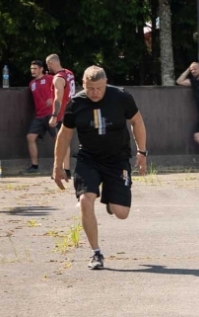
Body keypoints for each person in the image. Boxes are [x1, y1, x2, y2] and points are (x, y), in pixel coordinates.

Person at [52, 65, 148, 271]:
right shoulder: (76, 103)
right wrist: (57, 166)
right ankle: (96, 253)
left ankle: (111, 200)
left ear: (106, 83)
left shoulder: (121, 97)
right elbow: (64, 135)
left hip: (117, 160)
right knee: (85, 200)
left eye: (99, 88)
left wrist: (142, 152)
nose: (94, 93)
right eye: (90, 88)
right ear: (83, 84)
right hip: (89, 159)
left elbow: (137, 121)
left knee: (121, 212)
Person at [46, 54, 76, 178]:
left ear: (51, 63)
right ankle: (66, 169)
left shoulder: (58, 78)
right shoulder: (69, 73)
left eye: (48, 65)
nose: (48, 67)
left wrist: (54, 115)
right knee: (66, 140)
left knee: (61, 141)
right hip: (72, 109)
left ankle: (62, 170)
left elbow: (58, 98)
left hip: (63, 112)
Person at [24, 60, 57, 173]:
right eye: (31, 69)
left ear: (41, 69)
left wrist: (53, 99)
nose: (32, 71)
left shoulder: (50, 78)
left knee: (57, 139)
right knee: (30, 137)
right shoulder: (31, 84)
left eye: (35, 68)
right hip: (39, 115)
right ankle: (34, 166)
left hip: (51, 113)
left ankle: (61, 164)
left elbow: (62, 89)